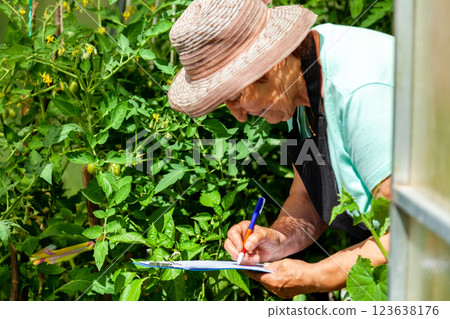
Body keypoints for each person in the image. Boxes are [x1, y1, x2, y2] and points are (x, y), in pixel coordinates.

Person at [168, 0, 393, 298]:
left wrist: (316, 276)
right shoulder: (300, 85)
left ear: (270, 63)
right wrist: (276, 238)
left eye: (235, 95)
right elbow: (308, 197)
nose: (239, 114)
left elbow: (416, 233)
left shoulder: (358, 91)